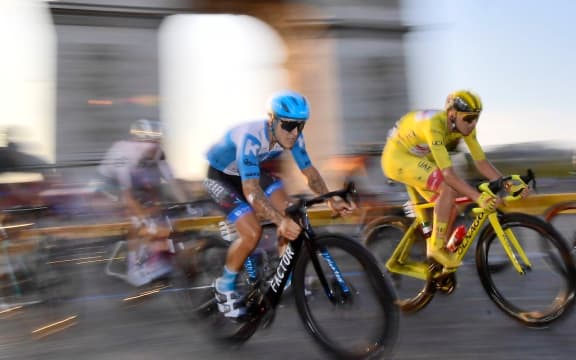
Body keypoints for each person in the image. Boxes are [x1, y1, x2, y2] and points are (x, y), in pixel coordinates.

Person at [204, 90, 354, 318]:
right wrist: (278, 220)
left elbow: (310, 174)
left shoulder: (293, 137)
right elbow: (250, 189)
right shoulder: (251, 137)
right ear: (272, 119)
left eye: (300, 126)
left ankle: (283, 274)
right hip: (221, 176)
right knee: (252, 233)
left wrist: (331, 198)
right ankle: (224, 287)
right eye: (288, 125)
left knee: (291, 211)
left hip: (249, 174)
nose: (294, 133)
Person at [381, 90, 527, 269]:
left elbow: (481, 163)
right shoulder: (434, 126)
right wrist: (479, 197)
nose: (473, 124)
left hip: (418, 156)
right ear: (452, 114)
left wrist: (509, 184)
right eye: (468, 119)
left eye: (476, 118)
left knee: (454, 201)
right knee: (447, 188)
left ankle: (436, 257)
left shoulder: (464, 128)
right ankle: (436, 248)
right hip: (397, 157)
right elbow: (449, 176)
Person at [98, 119, 192, 287]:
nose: (154, 145)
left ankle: (156, 256)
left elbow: (172, 183)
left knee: (158, 208)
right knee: (137, 217)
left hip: (139, 182)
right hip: (109, 184)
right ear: (138, 142)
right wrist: (143, 217)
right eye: (150, 141)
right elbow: (126, 196)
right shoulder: (124, 153)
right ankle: (134, 268)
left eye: (157, 141)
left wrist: (189, 205)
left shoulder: (159, 153)